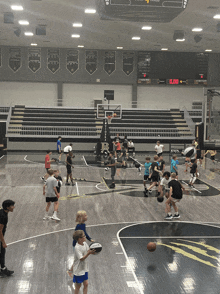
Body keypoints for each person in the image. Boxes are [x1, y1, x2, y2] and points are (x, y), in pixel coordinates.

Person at [68, 211, 95, 277]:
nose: (87, 216)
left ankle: (71, 270)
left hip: (80, 244)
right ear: (81, 218)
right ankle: (71, 271)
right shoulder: (78, 226)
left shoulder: (83, 225)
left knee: (77, 259)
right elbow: (75, 236)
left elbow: (84, 233)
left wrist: (89, 239)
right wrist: (78, 245)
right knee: (78, 259)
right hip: (77, 245)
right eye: (85, 216)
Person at [71, 230, 96, 294]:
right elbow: (81, 258)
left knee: (86, 284)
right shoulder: (77, 247)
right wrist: (89, 253)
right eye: (84, 236)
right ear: (79, 239)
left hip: (84, 268)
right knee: (78, 286)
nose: (85, 236)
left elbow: (88, 250)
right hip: (78, 270)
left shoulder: (84, 243)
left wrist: (93, 251)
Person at [0, 199, 15, 276]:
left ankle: (3, 268)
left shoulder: (2, 211)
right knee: (2, 252)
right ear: (7, 207)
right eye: (12, 206)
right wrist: (3, 242)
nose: (14, 207)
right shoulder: (3, 216)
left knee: (2, 252)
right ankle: (3, 270)